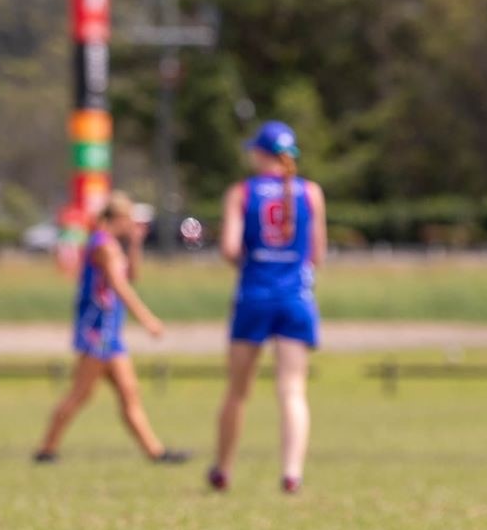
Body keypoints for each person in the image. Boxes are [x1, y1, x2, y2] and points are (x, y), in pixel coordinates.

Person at [209, 121, 327, 494]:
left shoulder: (241, 193)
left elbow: (229, 249)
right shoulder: (311, 193)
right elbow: (317, 255)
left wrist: (257, 262)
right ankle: (292, 473)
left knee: (238, 390)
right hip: (296, 299)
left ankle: (224, 468)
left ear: (261, 154)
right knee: (292, 389)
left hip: (254, 298)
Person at [33, 192, 190, 466]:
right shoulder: (103, 245)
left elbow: (133, 276)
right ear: (117, 218)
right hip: (99, 331)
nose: (132, 224)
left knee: (129, 391)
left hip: (110, 332)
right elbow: (120, 285)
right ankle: (46, 449)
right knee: (81, 393)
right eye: (129, 219)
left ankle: (156, 452)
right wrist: (147, 320)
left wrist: (136, 244)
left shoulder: (113, 245)